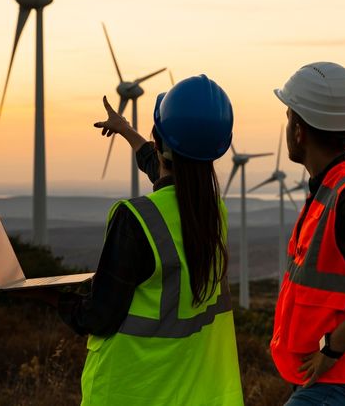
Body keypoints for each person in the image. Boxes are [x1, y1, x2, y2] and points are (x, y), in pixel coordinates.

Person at [56, 74, 244, 405]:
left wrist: (53, 298)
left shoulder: (137, 219)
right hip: (200, 393)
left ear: (160, 143)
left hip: (134, 391)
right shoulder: (213, 212)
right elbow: (164, 168)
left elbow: (98, 316)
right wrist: (127, 131)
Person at [271, 62, 345, 405]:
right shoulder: (332, 188)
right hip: (325, 384)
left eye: (289, 116)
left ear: (299, 131)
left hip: (340, 385)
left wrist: (332, 350)